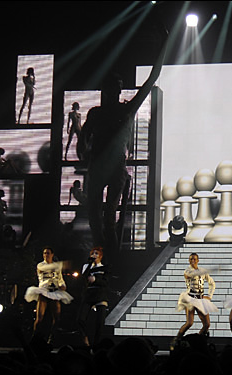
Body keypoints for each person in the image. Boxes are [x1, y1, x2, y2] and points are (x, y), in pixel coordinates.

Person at [77, 29, 168, 255]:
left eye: (119, 85)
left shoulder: (127, 109)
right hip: (97, 167)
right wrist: (82, 152)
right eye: (112, 85)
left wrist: (164, 45)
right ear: (106, 90)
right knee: (95, 219)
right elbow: (83, 135)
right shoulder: (96, 113)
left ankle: (111, 259)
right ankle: (102, 257)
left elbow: (152, 79)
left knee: (108, 217)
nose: (116, 88)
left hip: (115, 166)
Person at [24, 247, 73, 343]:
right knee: (39, 318)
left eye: (48, 253)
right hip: (44, 291)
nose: (46, 255)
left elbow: (60, 278)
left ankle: (51, 338)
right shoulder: (40, 265)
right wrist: (62, 264)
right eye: (44, 253)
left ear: (52, 254)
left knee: (57, 317)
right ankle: (34, 338)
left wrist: (63, 285)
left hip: (54, 292)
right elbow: (46, 268)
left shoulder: (56, 266)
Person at [171, 253, 217, 350]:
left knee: (207, 324)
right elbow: (189, 275)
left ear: (198, 260)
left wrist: (209, 296)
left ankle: (198, 340)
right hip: (190, 299)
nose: (193, 261)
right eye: (191, 259)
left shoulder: (203, 271)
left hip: (200, 299)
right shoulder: (187, 271)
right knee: (189, 322)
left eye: (195, 259)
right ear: (189, 260)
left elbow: (212, 283)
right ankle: (177, 339)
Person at [77, 246, 109, 348]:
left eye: (96, 254)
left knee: (99, 323)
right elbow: (83, 277)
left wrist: (95, 280)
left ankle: (96, 345)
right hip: (89, 294)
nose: (94, 255)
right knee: (80, 319)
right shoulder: (87, 266)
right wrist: (91, 264)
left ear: (100, 256)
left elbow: (106, 282)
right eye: (92, 253)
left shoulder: (104, 267)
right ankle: (85, 339)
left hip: (100, 294)